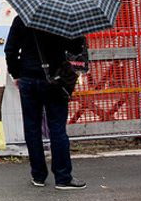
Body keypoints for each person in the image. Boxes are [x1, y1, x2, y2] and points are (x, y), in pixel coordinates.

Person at [5, 18, 88, 189]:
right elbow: (75, 49)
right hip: (54, 79)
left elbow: (10, 50)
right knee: (57, 127)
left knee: (32, 127)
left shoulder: (21, 19)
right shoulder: (62, 18)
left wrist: (17, 73)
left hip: (28, 78)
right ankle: (63, 176)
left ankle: (38, 175)